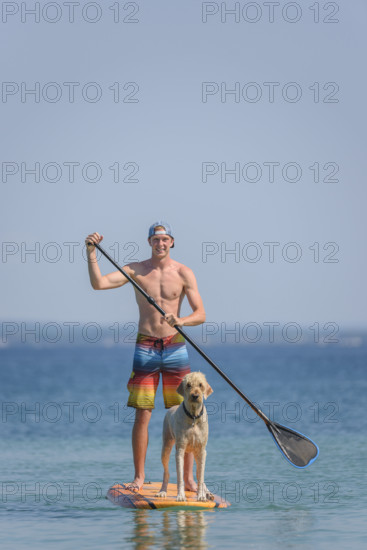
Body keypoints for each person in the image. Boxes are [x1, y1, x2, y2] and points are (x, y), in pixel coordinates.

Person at [85, 221, 206, 492]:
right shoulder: (136, 270)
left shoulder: (185, 273)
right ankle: (139, 477)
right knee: (143, 415)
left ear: (172, 242)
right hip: (146, 347)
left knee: (185, 414)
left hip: (175, 345)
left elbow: (201, 313)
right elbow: (99, 284)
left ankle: (187, 479)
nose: (160, 244)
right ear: (149, 242)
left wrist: (181, 320)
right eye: (155, 240)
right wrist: (92, 252)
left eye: (165, 240)